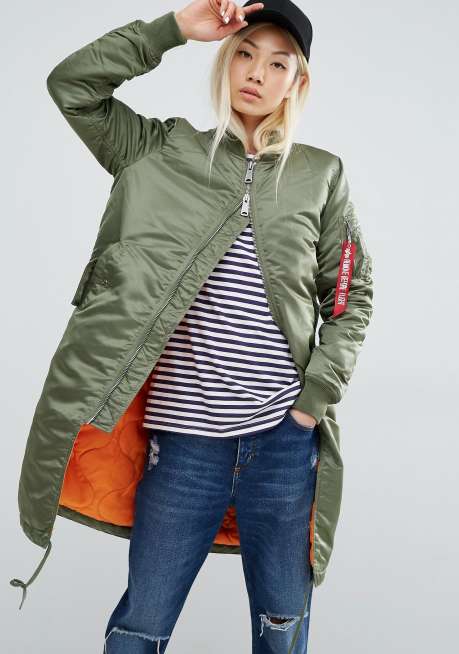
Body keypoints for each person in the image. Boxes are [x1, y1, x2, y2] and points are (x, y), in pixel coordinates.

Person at [10, 1, 374, 652]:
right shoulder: (158, 149)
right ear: (224, 61)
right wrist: (173, 28)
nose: (256, 73)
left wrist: (313, 401)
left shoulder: (321, 174)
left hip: (283, 443)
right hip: (183, 445)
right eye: (245, 54)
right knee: (141, 623)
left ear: (298, 82)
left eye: (277, 63)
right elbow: (73, 85)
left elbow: (350, 295)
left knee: (282, 622)